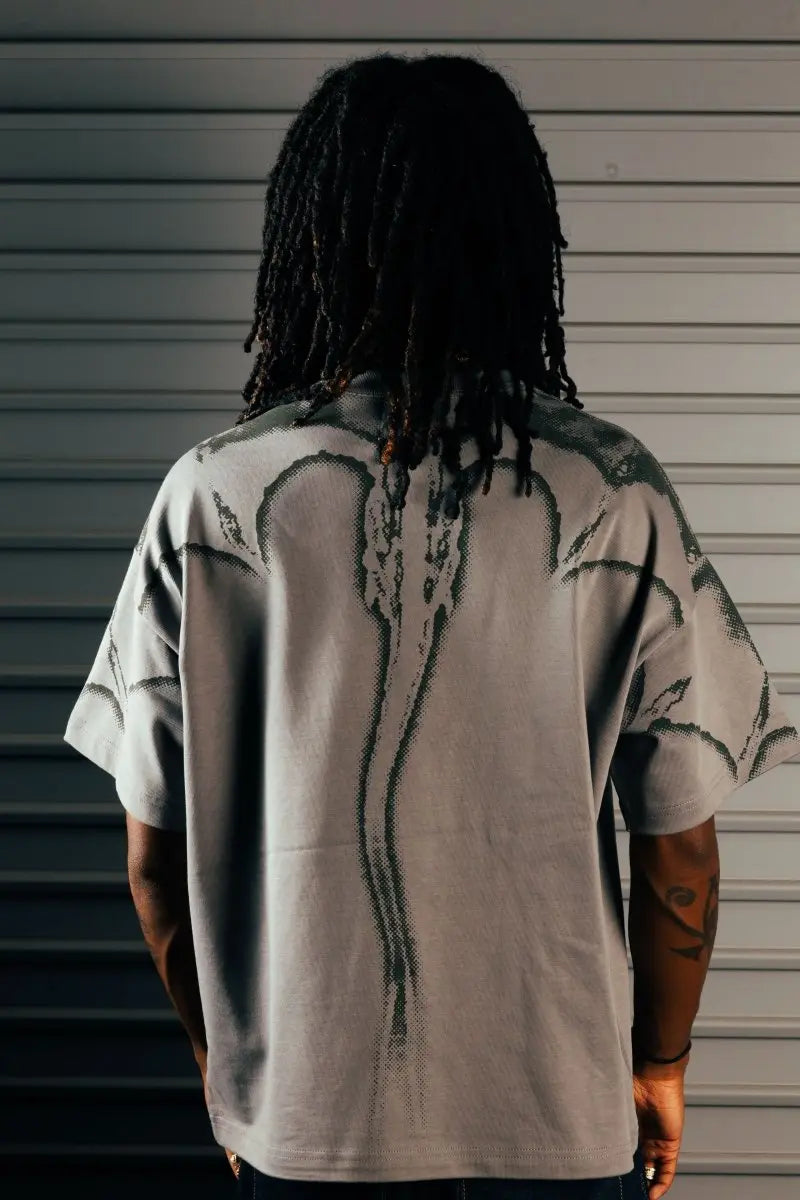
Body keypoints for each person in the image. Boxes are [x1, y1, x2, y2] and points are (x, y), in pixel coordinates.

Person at [62, 51, 800, 1200]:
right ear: (517, 241)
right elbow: (679, 853)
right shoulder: (611, 490)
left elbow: (154, 854)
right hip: (560, 1124)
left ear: (309, 238)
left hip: (308, 1127)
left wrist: (228, 1063)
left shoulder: (211, 498)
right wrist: (658, 1063)